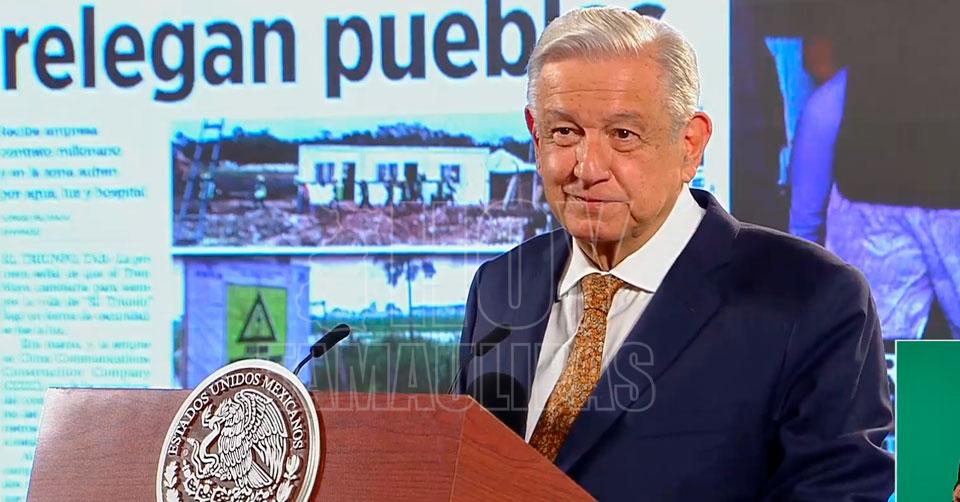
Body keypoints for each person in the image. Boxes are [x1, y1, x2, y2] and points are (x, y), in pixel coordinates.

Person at [457, 7, 892, 501]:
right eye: (564, 132)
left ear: (691, 144)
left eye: (623, 135)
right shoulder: (500, 285)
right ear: (535, 134)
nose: (588, 168)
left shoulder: (811, 298)